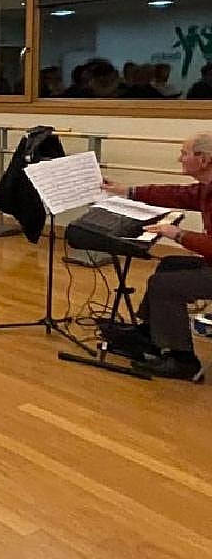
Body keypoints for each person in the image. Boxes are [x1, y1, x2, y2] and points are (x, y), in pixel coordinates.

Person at [103, 133, 212, 381]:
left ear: (203, 160)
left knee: (164, 285)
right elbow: (175, 194)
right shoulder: (207, 187)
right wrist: (127, 191)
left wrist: (178, 234)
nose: (179, 158)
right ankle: (151, 335)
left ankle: (183, 361)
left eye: (184, 153)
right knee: (170, 265)